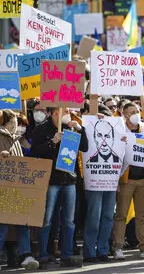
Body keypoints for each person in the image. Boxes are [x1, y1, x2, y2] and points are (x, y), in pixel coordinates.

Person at [31, 108, 88, 268]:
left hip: (69, 180)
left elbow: (85, 147)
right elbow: (35, 151)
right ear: (56, 113)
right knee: (47, 219)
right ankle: (43, 255)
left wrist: (80, 129)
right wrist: (53, 142)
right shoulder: (41, 129)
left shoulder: (71, 127)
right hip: (51, 181)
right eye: (65, 111)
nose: (68, 113)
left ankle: (67, 255)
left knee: (69, 221)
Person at [112, 102, 144, 260]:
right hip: (126, 181)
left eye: (137, 111)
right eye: (132, 112)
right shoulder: (120, 131)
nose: (136, 114)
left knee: (142, 216)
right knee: (121, 215)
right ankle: (117, 247)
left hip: (143, 180)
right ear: (124, 115)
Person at [0, 110, 40, 270]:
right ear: (8, 123)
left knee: (22, 224)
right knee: (2, 226)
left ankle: (26, 255)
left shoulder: (16, 140)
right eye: (15, 122)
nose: (18, 125)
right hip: (3, 189)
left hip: (17, 189)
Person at [82, 112, 119, 264]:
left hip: (111, 182)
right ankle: (90, 251)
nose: (104, 141)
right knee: (94, 216)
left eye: (107, 136)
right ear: (95, 138)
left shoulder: (117, 155)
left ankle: (103, 250)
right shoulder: (90, 158)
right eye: (99, 135)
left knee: (108, 216)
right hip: (94, 181)